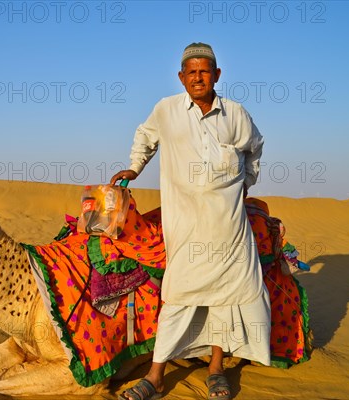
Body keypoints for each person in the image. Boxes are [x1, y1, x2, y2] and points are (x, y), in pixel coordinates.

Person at [111, 43, 270, 400]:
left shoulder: (236, 114)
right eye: (191, 72)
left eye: (205, 71)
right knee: (179, 295)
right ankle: (155, 375)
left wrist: (246, 183)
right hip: (185, 227)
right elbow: (145, 137)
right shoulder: (166, 110)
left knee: (226, 299)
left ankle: (216, 370)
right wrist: (135, 166)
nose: (198, 77)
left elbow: (254, 148)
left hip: (229, 228)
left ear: (217, 75)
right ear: (181, 77)